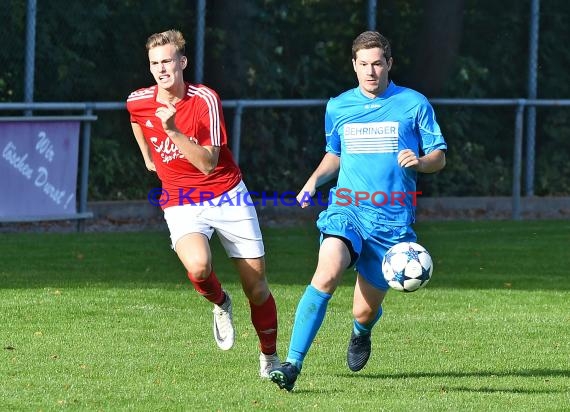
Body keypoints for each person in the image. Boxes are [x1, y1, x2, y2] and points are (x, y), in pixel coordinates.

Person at [269, 31, 447, 391]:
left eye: (377, 63)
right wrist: (312, 182)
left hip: (392, 222)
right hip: (346, 211)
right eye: (363, 64)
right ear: (354, 65)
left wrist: (420, 161)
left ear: (389, 64)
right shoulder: (338, 106)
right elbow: (335, 154)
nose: (371, 71)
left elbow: (439, 157)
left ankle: (360, 332)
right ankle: (291, 365)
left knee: (363, 311)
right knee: (327, 273)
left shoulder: (414, 104)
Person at [126, 29, 280, 378]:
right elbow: (135, 116)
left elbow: (208, 163)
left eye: (167, 61)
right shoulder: (139, 99)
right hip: (180, 200)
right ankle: (220, 303)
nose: (161, 69)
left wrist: (172, 131)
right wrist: (147, 155)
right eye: (154, 63)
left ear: (183, 62)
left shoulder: (205, 100)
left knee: (256, 288)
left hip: (226, 194)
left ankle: (269, 357)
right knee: (198, 267)